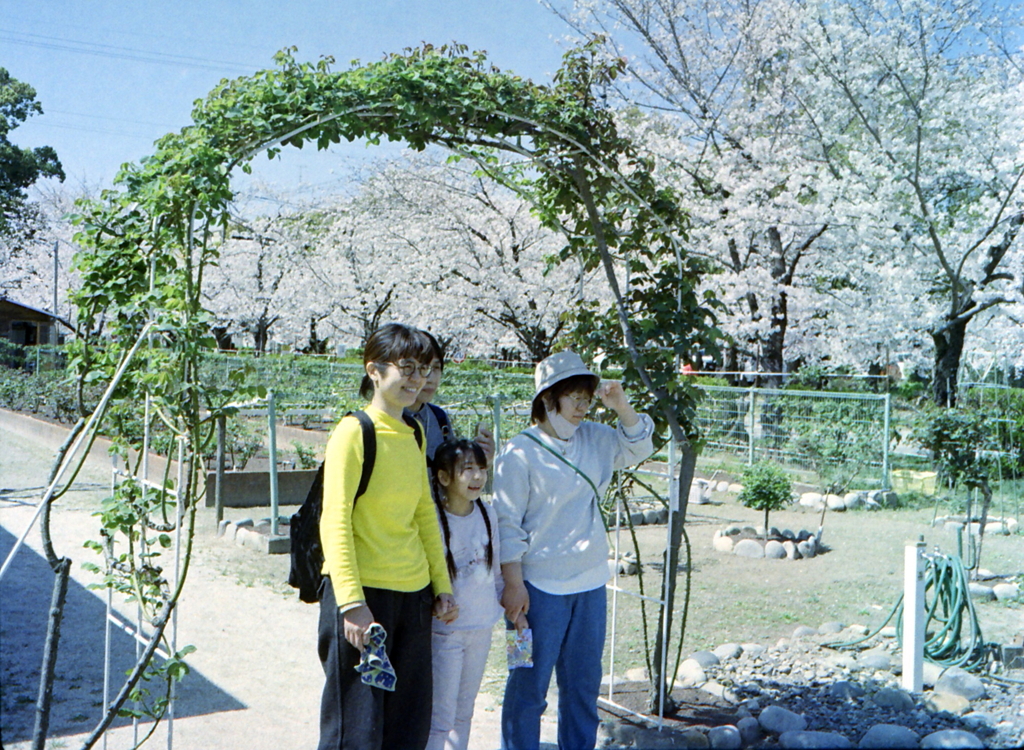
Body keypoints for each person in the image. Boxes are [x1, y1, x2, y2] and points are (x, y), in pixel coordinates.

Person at [494, 351, 655, 750]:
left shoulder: (596, 438)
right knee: (527, 687)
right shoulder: (517, 453)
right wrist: (513, 587)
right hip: (536, 589)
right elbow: (507, 525)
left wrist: (621, 405)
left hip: (589, 584)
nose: (583, 406)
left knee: (583, 687)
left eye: (587, 397)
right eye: (574, 397)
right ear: (548, 400)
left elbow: (640, 447)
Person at [317, 323, 458, 750]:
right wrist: (352, 604)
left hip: (413, 597)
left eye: (425, 369)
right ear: (374, 370)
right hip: (364, 599)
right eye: (407, 367)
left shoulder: (414, 432)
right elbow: (334, 519)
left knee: (407, 728)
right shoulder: (353, 431)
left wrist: (442, 586)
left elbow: (422, 514)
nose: (417, 379)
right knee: (355, 732)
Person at [427, 438, 504, 750]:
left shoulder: (489, 513)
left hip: (481, 627)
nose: (477, 477)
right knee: (440, 716)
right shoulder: (432, 518)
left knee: (465, 711)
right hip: (446, 632)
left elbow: (496, 570)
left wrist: (512, 608)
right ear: (444, 478)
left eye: (481, 469)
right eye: (467, 469)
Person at [407, 329, 494, 469]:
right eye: (423, 367)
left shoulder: (439, 418)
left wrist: (482, 462)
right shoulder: (387, 418)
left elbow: (451, 479)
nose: (431, 378)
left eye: (436, 367)